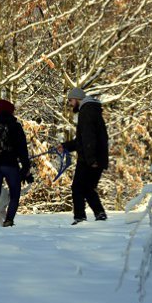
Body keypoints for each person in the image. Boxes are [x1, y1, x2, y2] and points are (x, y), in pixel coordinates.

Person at [58, 87, 109, 225]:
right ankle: (100, 214)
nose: (70, 103)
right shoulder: (91, 110)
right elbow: (82, 140)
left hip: (89, 158)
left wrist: (91, 159)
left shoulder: (86, 111)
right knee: (87, 188)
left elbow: (89, 138)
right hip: (94, 156)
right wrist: (66, 146)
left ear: (77, 98)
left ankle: (80, 217)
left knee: (78, 188)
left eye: (70, 100)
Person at [0, 99, 32, 227]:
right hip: (10, 165)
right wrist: (26, 167)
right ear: (11, 111)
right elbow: (22, 148)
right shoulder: (15, 127)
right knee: (14, 194)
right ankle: (9, 220)